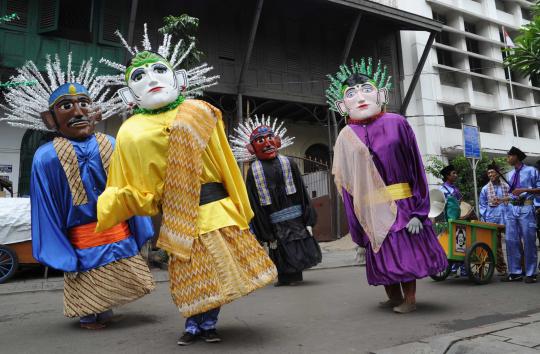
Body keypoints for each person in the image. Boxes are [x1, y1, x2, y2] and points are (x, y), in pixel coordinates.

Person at [96, 27, 277, 345]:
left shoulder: (200, 112)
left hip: (214, 206)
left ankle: (208, 323)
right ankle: (193, 323)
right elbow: (130, 182)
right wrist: (118, 204)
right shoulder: (131, 130)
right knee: (189, 273)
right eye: (138, 76)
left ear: (177, 79)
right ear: (129, 95)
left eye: (159, 70)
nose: (151, 78)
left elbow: (225, 163)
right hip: (176, 213)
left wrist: (240, 204)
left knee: (218, 269)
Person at [0, 54, 155, 329]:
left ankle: (105, 308)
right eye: (66, 106)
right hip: (80, 234)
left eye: (84, 104)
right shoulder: (45, 157)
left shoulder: (110, 143)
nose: (78, 112)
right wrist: (56, 243)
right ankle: (87, 313)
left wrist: (138, 220)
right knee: (84, 269)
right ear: (50, 119)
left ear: (95, 111)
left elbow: (129, 187)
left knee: (116, 269)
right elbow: (45, 207)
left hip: (115, 228)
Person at [326, 58, 447, 314]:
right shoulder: (345, 136)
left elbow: (416, 168)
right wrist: (356, 225)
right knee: (381, 253)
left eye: (366, 90)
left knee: (402, 251)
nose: (360, 97)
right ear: (341, 105)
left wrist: (418, 212)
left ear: (380, 94)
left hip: (401, 204)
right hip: (370, 208)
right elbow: (347, 186)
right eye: (351, 94)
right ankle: (393, 297)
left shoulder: (397, 123)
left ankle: (410, 300)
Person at [230, 116, 322, 286]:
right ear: (251, 148)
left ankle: (295, 275)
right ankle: (285, 276)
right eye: (260, 140)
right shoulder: (253, 171)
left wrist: (307, 215)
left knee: (296, 243)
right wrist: (261, 227)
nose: (267, 143)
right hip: (272, 218)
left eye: (270, 138)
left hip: (294, 215)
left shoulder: (290, 163)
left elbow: (301, 191)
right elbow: (254, 201)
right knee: (278, 245)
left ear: (278, 141)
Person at [501, 147, 540, 283]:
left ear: (516, 156)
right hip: (512, 208)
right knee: (511, 240)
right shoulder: (509, 174)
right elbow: (511, 194)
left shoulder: (532, 170)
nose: (508, 159)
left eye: (509, 156)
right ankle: (515, 272)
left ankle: (531, 273)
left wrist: (523, 189)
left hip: (527, 207)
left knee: (529, 241)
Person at [478, 164, 508, 276]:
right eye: (489, 173)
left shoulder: (506, 186)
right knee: (496, 246)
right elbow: (482, 205)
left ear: (498, 172)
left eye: (492, 172)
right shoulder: (485, 189)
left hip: (507, 219)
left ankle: (517, 268)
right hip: (492, 220)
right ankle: (502, 268)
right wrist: (486, 218)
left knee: (513, 243)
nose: (490, 174)